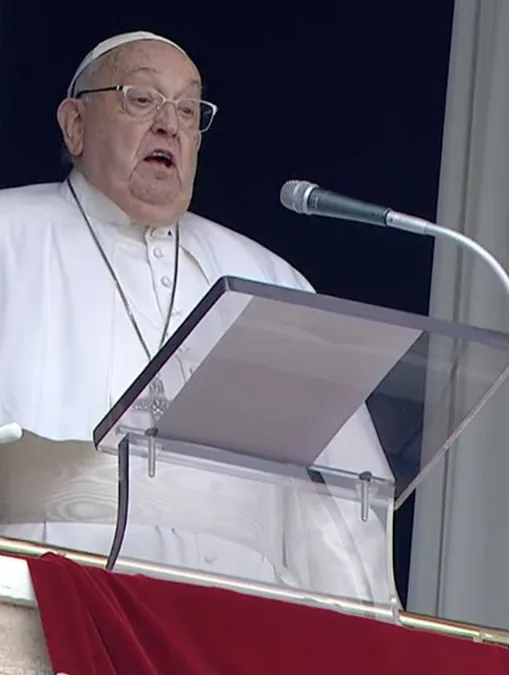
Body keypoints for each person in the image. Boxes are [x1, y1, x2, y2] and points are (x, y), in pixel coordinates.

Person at [0, 32, 394, 604]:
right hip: (42, 599)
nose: (170, 125)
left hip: (239, 617)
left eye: (188, 110)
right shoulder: (8, 236)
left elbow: (341, 498)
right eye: (141, 99)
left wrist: (364, 630)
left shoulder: (269, 279)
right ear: (75, 124)